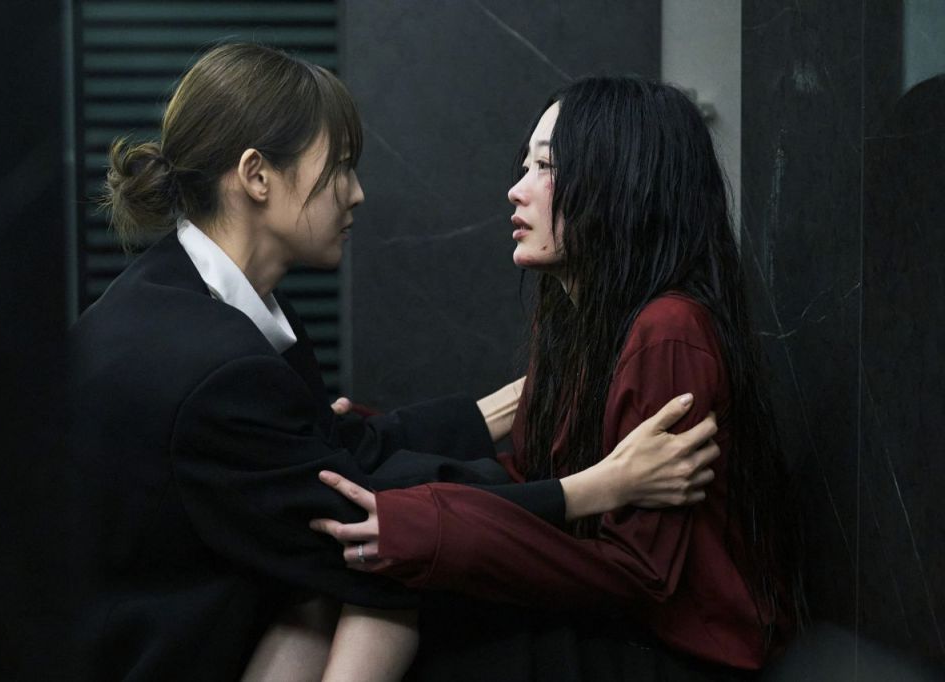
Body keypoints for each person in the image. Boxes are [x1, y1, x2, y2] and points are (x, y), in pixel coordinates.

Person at [70, 44, 721, 681]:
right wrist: (595, 487)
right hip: (159, 657)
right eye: (340, 168)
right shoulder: (211, 361)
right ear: (256, 176)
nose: (355, 194)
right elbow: (358, 526)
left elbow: (346, 457)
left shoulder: (199, 302)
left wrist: (503, 412)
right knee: (379, 593)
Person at [314, 76, 804, 680]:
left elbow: (641, 572)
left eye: (545, 166)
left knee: (398, 595)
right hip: (614, 624)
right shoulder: (583, 320)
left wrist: (434, 528)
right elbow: (532, 479)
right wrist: (378, 454)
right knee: (370, 575)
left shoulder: (669, 330)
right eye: (526, 165)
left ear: (620, 182)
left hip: (678, 655)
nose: (516, 189)